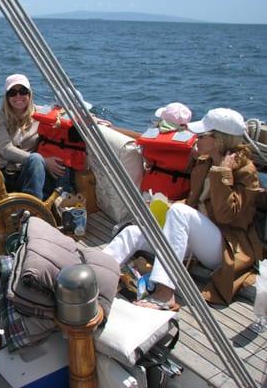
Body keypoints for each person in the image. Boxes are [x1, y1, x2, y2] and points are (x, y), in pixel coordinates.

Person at [104, 108, 264, 309]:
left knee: (180, 213)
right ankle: (97, 273)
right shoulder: (205, 162)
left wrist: (222, 173)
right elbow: (194, 205)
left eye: (202, 135)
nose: (195, 138)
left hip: (224, 246)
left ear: (218, 140)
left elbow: (226, 216)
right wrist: (166, 205)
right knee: (133, 232)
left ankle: (165, 294)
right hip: (197, 239)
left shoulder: (245, 171)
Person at [0, 74, 67, 200]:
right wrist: (44, 161)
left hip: (25, 174)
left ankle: (31, 208)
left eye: (23, 91)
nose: (18, 96)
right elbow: (6, 149)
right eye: (12, 93)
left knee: (36, 159)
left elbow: (66, 113)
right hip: (0, 174)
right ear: (6, 97)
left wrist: (89, 119)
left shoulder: (41, 115)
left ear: (29, 94)